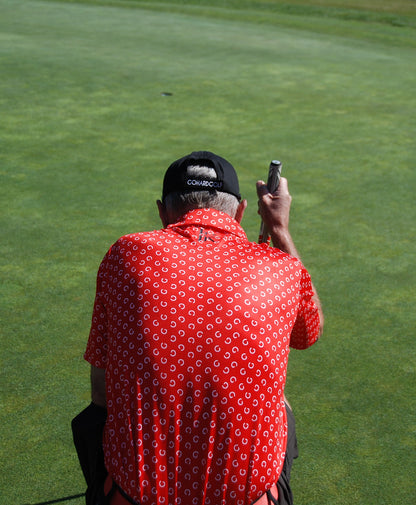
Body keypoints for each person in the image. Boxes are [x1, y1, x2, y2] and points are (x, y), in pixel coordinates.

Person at [78, 151, 323, 505]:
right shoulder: (282, 267)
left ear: (162, 212)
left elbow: (101, 391)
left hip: (130, 496)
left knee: (96, 410)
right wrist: (280, 231)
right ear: (240, 212)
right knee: (280, 403)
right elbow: (307, 333)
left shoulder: (124, 254)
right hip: (251, 498)